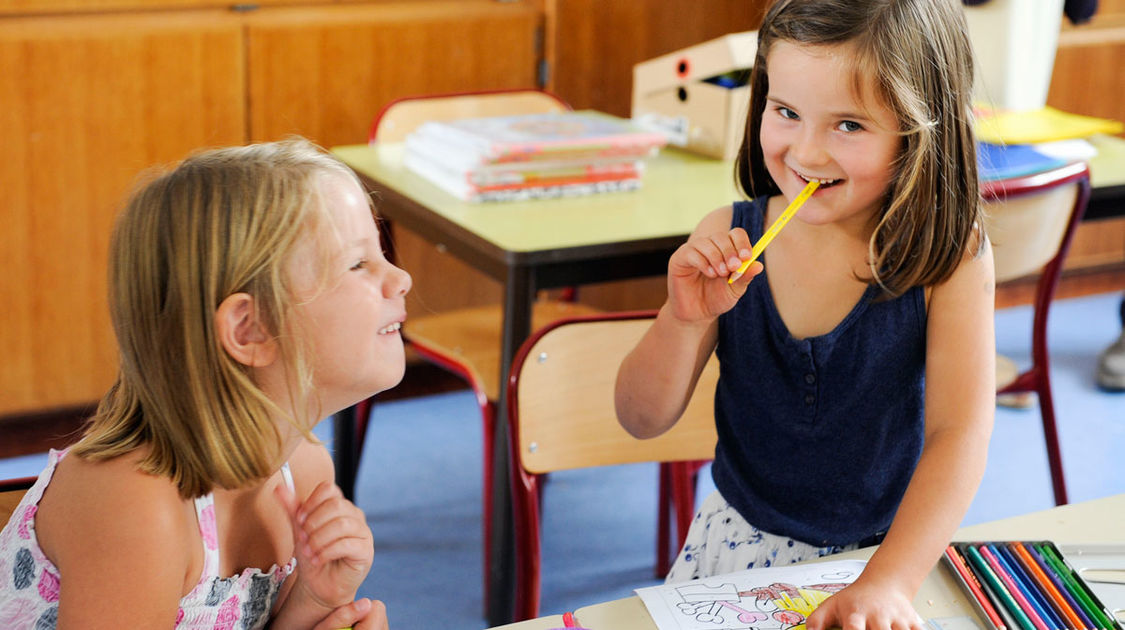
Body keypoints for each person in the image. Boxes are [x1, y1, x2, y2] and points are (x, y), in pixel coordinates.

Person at [615, 1, 995, 629]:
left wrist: (889, 583)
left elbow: (961, 436)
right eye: (786, 112)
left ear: (920, 131)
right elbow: (640, 419)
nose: (806, 151)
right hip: (734, 557)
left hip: (888, 560)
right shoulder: (726, 236)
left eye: (848, 125)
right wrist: (681, 321)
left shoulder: (949, 258)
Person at [0, 138, 409, 629]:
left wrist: (314, 602)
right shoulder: (137, 505)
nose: (400, 278)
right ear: (250, 329)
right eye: (359, 263)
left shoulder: (304, 470)